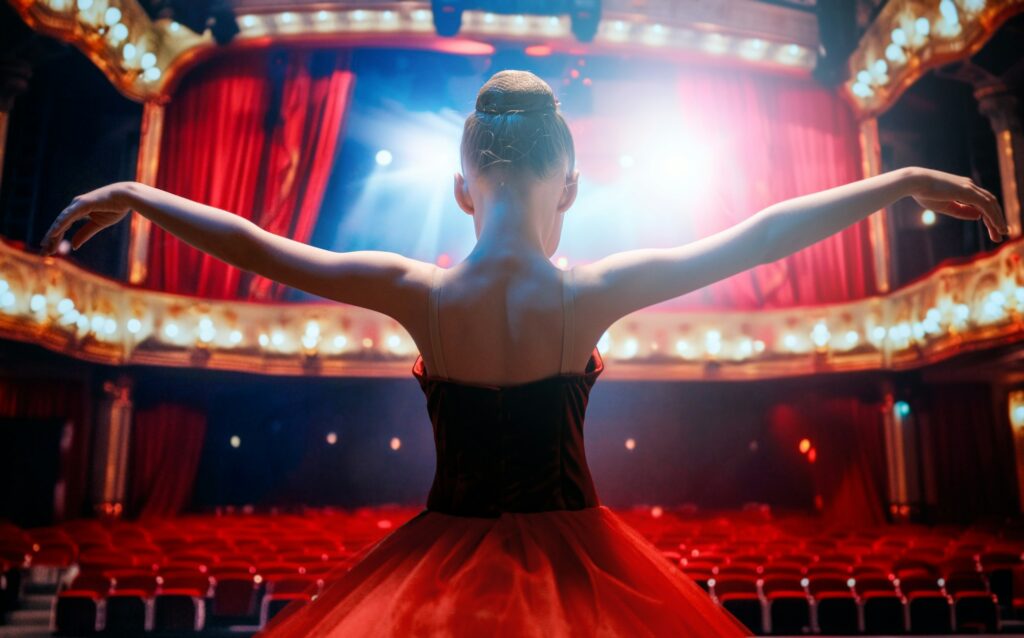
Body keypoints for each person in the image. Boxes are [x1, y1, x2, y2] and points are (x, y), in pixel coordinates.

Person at [42, 70, 1006, 636]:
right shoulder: (588, 293)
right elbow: (758, 236)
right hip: (589, 566)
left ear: (464, 189)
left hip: (433, 559)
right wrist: (901, 180)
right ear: (571, 188)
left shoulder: (416, 292)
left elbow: (258, 243)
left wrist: (137, 194)